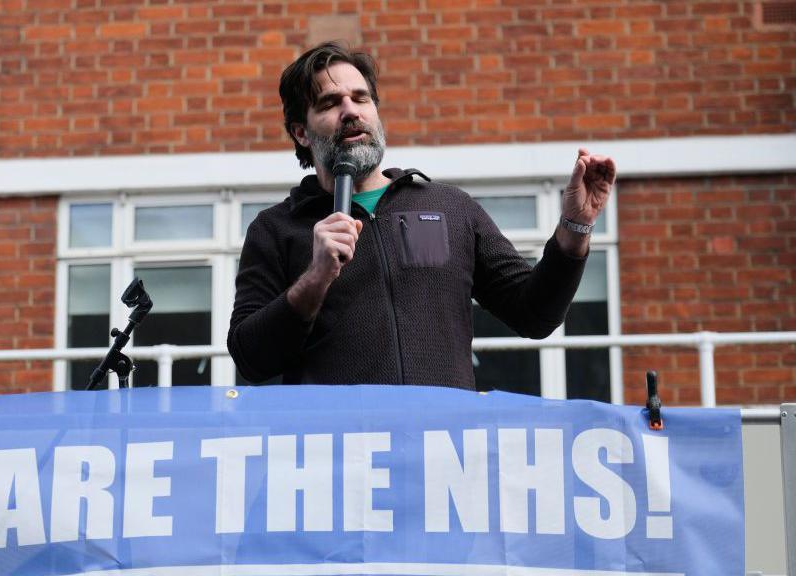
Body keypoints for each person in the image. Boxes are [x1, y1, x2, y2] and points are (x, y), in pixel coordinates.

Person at [228, 41, 615, 388]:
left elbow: (535, 315)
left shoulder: (448, 208)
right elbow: (251, 358)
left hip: (442, 453)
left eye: (361, 99)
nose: (350, 111)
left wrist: (574, 227)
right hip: (340, 456)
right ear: (300, 132)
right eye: (330, 103)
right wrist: (314, 279)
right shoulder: (276, 229)